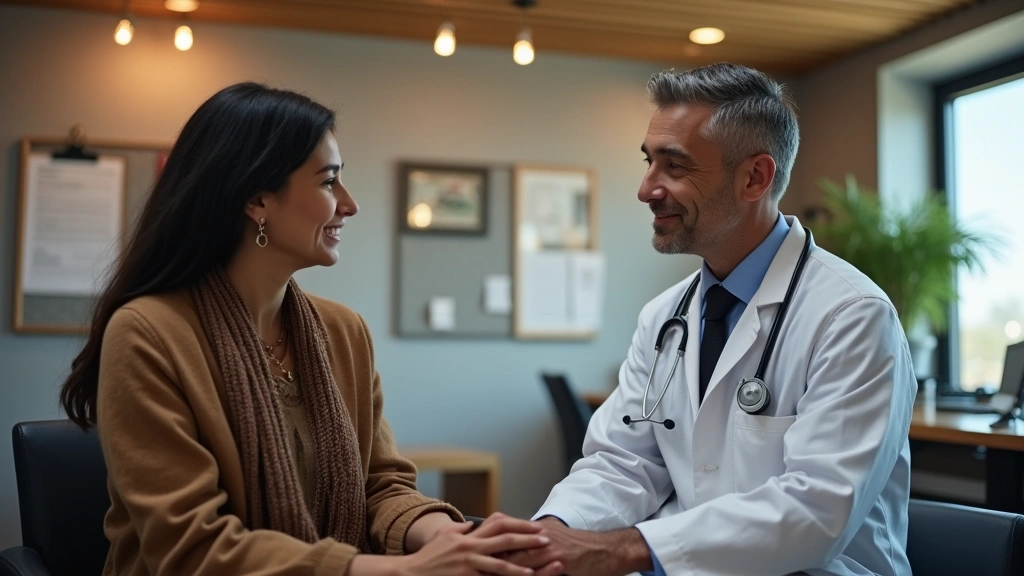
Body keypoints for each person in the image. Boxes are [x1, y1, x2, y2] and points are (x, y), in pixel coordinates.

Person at [59, 82, 563, 576]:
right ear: (257, 200)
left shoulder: (344, 331)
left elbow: (381, 484)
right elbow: (192, 550)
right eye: (328, 182)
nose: (349, 203)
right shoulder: (148, 333)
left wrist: (445, 538)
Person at [508, 63, 916, 575]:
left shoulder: (852, 317)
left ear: (754, 177)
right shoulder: (665, 317)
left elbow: (816, 512)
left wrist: (625, 550)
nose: (645, 188)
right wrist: (552, 534)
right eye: (648, 162)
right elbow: (624, 462)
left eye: (674, 167)